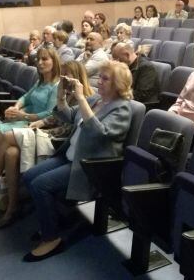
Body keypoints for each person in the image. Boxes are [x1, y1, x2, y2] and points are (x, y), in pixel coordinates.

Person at [21, 61, 133, 262]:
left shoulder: (122, 109)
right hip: (70, 155)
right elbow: (69, 116)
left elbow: (99, 133)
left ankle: (51, 238)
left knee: (40, 186)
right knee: (29, 176)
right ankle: (54, 220)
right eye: (99, 76)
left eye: (105, 78)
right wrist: (62, 96)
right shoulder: (97, 99)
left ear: (118, 84)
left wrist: (81, 98)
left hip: (89, 166)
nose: (99, 81)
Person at [0, 48, 61, 228]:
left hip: (39, 127)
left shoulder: (56, 85)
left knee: (0, 132)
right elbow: (25, 97)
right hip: (26, 121)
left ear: (54, 61)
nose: (40, 62)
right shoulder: (40, 82)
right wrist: (16, 107)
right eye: (38, 59)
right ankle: (11, 204)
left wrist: (21, 116)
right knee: (11, 153)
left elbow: (50, 113)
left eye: (45, 59)